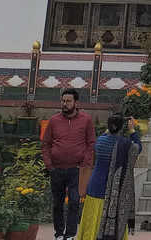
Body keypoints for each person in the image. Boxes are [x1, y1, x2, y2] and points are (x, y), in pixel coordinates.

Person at [42, 88, 97, 240]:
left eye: (68, 101)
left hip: (76, 170)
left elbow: (91, 144)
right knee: (57, 203)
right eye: (63, 101)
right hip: (57, 169)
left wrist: (84, 164)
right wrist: (49, 166)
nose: (64, 104)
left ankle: (70, 234)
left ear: (76, 103)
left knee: (74, 202)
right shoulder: (54, 121)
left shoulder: (86, 121)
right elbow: (46, 144)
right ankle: (59, 234)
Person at [76, 114, 142, 240]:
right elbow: (138, 148)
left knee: (92, 221)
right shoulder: (125, 145)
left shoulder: (100, 142)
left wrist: (110, 127)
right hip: (113, 191)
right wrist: (132, 130)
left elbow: (104, 135)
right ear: (122, 128)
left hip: (95, 187)